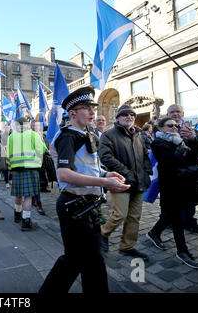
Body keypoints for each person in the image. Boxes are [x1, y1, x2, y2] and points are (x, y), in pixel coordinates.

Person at [39, 86, 130, 294]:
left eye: (92, 107)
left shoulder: (87, 134)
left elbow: (89, 168)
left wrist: (107, 175)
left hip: (88, 206)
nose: (92, 112)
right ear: (72, 113)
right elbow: (64, 174)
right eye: (86, 108)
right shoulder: (68, 137)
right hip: (74, 206)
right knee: (74, 260)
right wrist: (105, 183)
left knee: (94, 259)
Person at [146, 117, 198, 269]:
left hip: (189, 184)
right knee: (178, 217)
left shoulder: (181, 139)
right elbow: (170, 162)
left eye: (176, 125)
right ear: (161, 128)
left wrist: (192, 139)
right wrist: (183, 149)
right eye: (170, 125)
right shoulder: (158, 143)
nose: (175, 127)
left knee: (170, 215)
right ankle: (182, 251)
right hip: (172, 187)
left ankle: (154, 233)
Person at [99, 104, 152, 261]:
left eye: (131, 115)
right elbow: (106, 157)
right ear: (117, 118)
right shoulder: (108, 135)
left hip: (138, 181)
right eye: (125, 115)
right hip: (120, 181)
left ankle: (127, 246)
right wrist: (126, 173)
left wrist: (146, 172)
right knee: (120, 214)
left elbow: (144, 155)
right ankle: (103, 233)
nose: (129, 117)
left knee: (134, 216)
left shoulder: (138, 135)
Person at [167, 104, 198, 234]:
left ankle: (190, 222)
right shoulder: (163, 129)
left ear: (183, 113)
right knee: (172, 202)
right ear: (168, 114)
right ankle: (167, 223)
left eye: (178, 111)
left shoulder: (189, 129)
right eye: (172, 112)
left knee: (191, 200)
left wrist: (192, 138)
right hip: (172, 174)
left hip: (190, 172)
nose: (175, 114)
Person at [7, 117, 47, 231]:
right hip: (31, 168)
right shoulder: (34, 135)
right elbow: (41, 150)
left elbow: (8, 154)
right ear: (27, 124)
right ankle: (26, 222)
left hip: (16, 168)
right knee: (28, 197)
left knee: (18, 194)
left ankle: (17, 216)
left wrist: (10, 167)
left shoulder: (11, 137)